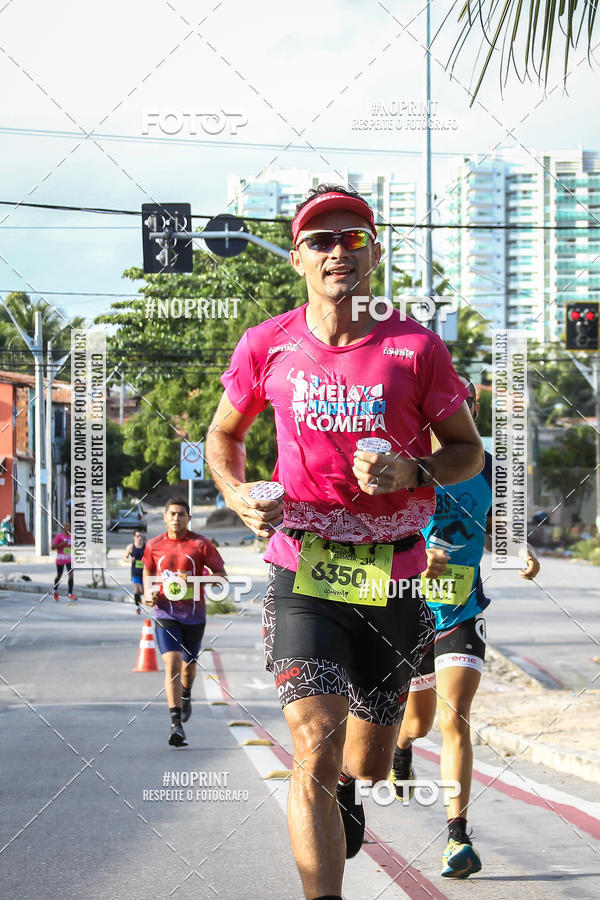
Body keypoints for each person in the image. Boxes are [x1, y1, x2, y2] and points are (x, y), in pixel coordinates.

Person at [206, 183, 484, 900]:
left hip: (394, 574)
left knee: (363, 758)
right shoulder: (268, 343)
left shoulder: (414, 347)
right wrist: (237, 495)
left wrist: (411, 466)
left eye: (353, 238)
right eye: (322, 240)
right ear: (296, 257)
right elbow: (223, 436)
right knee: (314, 744)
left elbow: (468, 452)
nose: (338, 251)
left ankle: (353, 793)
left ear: (374, 253)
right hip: (303, 568)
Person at [389, 377, 540, 879]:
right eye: (444, 406)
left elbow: (499, 523)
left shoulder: (487, 465)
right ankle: (402, 749)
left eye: (464, 406)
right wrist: (412, 560)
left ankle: (457, 837)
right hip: (410, 609)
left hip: (460, 609)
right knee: (417, 724)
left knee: (456, 719)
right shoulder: (404, 463)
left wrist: (520, 549)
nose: (455, 413)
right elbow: (376, 535)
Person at [142, 497, 227, 747]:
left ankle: (186, 694)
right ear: (165, 517)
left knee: (188, 667)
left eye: (181, 514)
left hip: (194, 616)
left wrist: (193, 582)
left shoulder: (201, 544)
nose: (176, 518)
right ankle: (175, 723)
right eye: (172, 514)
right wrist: (148, 592)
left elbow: (222, 578)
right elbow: (147, 570)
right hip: (165, 615)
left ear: (189, 517)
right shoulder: (153, 545)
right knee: (173, 663)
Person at [122, 530, 146, 614]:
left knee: (143, 591)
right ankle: (137, 607)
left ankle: (139, 597)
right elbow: (124, 558)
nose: (139, 538)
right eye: (137, 536)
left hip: (144, 571)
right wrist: (129, 560)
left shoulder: (146, 547)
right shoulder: (131, 547)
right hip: (135, 571)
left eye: (141, 536)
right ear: (134, 537)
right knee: (136, 589)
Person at [52, 523, 75, 602]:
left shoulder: (71, 536)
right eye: (66, 526)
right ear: (63, 527)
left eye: (69, 526)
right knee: (59, 576)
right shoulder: (59, 536)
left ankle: (70, 594)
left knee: (71, 575)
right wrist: (62, 544)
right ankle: (55, 590)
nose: (68, 527)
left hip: (69, 558)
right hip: (61, 558)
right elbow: (53, 547)